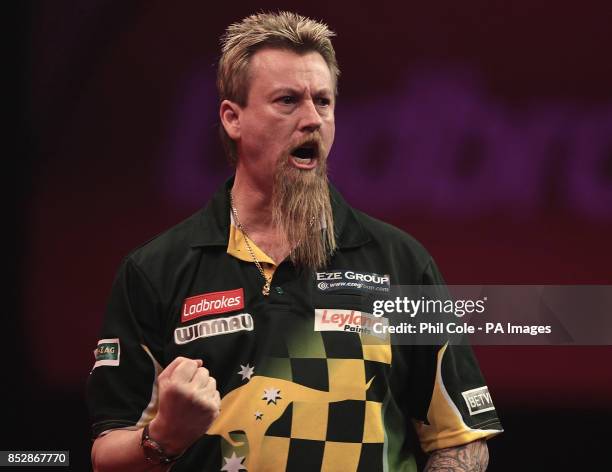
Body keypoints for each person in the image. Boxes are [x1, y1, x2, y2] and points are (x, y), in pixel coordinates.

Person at [88, 11, 502, 472]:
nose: (312, 119)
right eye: (288, 101)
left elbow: (460, 440)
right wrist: (163, 437)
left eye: (323, 102)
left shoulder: (401, 263)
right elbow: (107, 454)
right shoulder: (156, 270)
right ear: (232, 118)